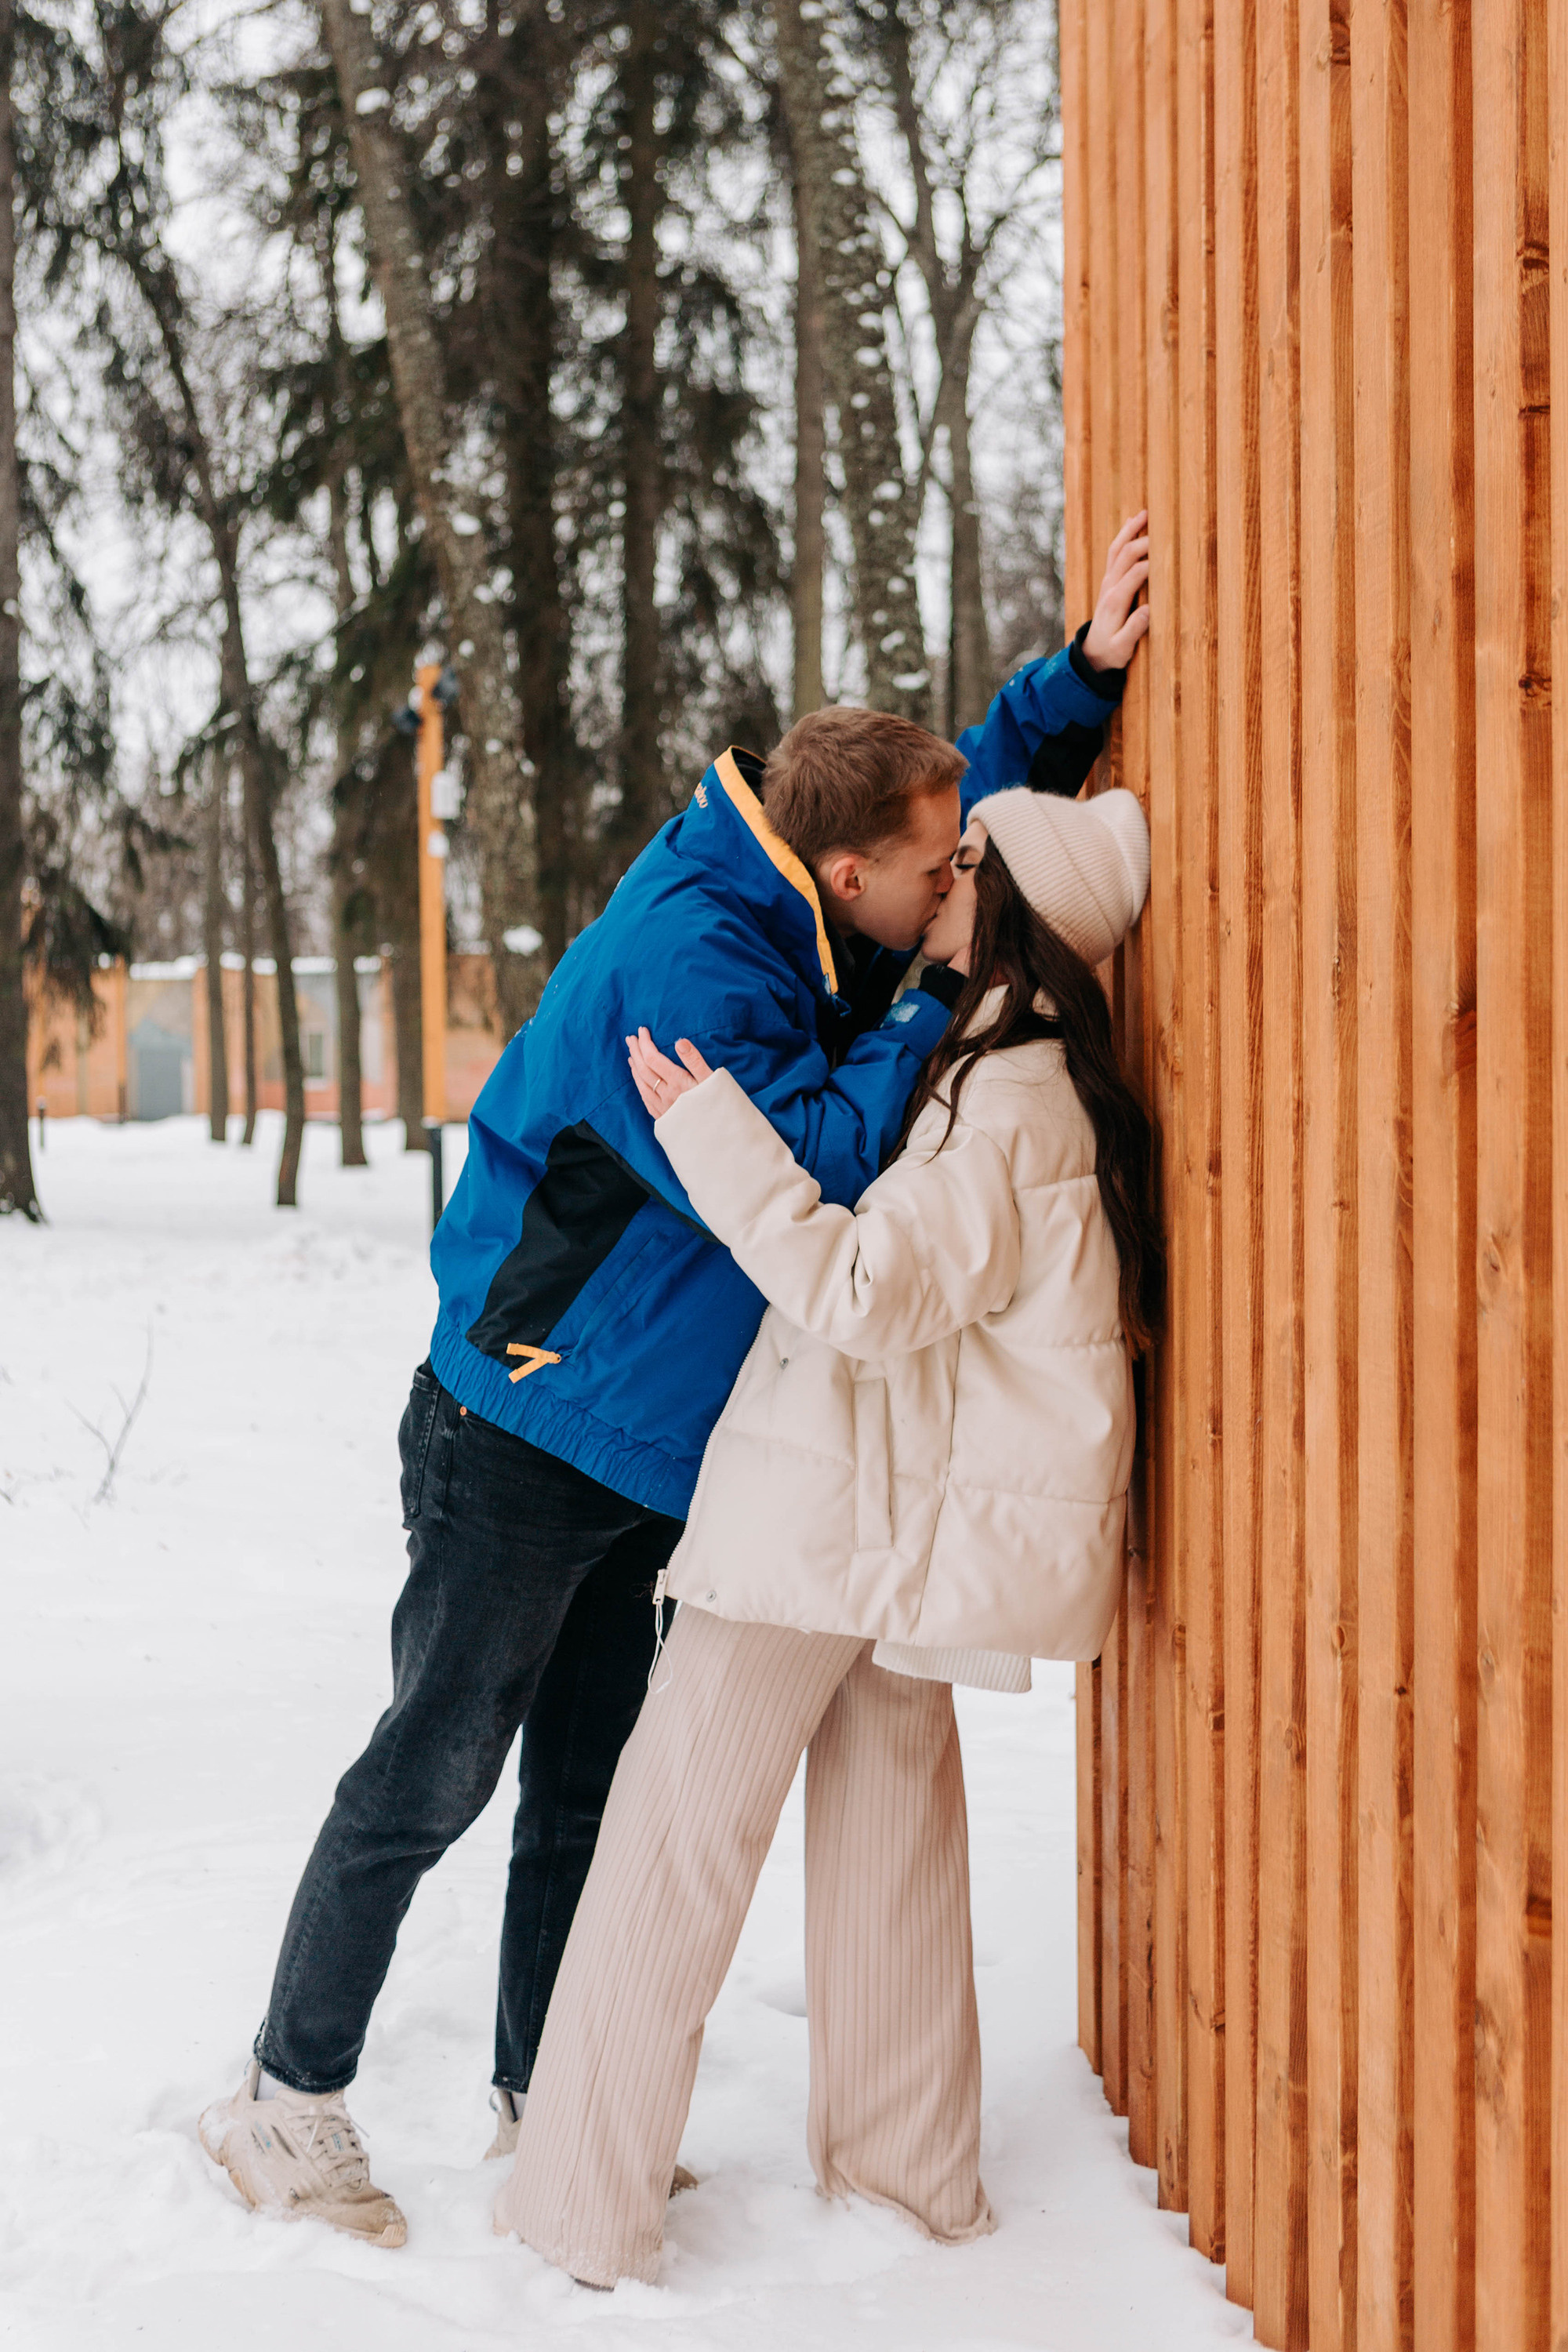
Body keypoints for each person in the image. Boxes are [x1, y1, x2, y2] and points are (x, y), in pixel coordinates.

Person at [198, 517, 1152, 2250]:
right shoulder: (697, 955)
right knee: (434, 1765)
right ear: (849, 874)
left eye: (960, 877)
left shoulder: (819, 870)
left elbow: (959, 809)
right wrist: (932, 1007)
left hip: (644, 1441)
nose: (955, 895)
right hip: (522, 1420)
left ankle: (543, 2088)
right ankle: (284, 2097)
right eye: (934, 877)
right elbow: (812, 1158)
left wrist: (1072, 682)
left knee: (583, 1791)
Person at [495, 779, 1165, 2289]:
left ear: (1020, 915)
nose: (940, 880)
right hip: (885, 1512)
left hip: (831, 1515)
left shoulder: (1006, 1102)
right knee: (890, 1839)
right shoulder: (1004, 1067)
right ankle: (903, 2177)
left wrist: (719, 1135)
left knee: (673, 1839)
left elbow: (859, 1292)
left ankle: (576, 2213)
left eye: (969, 863)